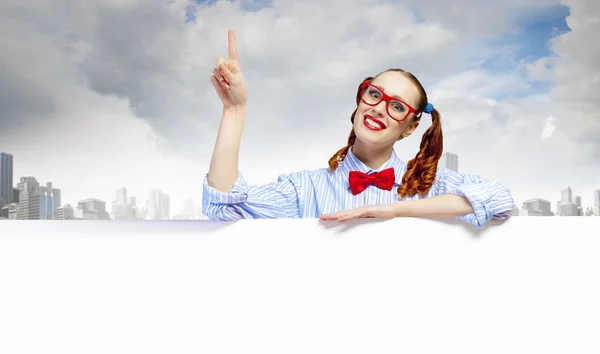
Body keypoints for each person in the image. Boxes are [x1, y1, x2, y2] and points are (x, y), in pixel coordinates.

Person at [203, 30, 514, 227]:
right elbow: (224, 207)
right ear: (361, 99)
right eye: (375, 94)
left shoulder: (429, 185)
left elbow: (499, 198)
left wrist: (395, 210)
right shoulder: (305, 189)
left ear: (410, 127)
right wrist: (234, 111)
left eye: (397, 106)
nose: (379, 106)